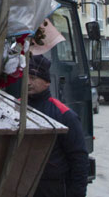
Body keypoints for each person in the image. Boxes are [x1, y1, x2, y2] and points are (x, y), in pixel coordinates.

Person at [27, 55, 89, 197]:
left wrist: (77, 193)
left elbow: (79, 159)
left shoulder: (64, 115)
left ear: (47, 82)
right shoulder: (15, 108)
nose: (28, 83)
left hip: (52, 188)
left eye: (33, 78)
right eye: (26, 78)